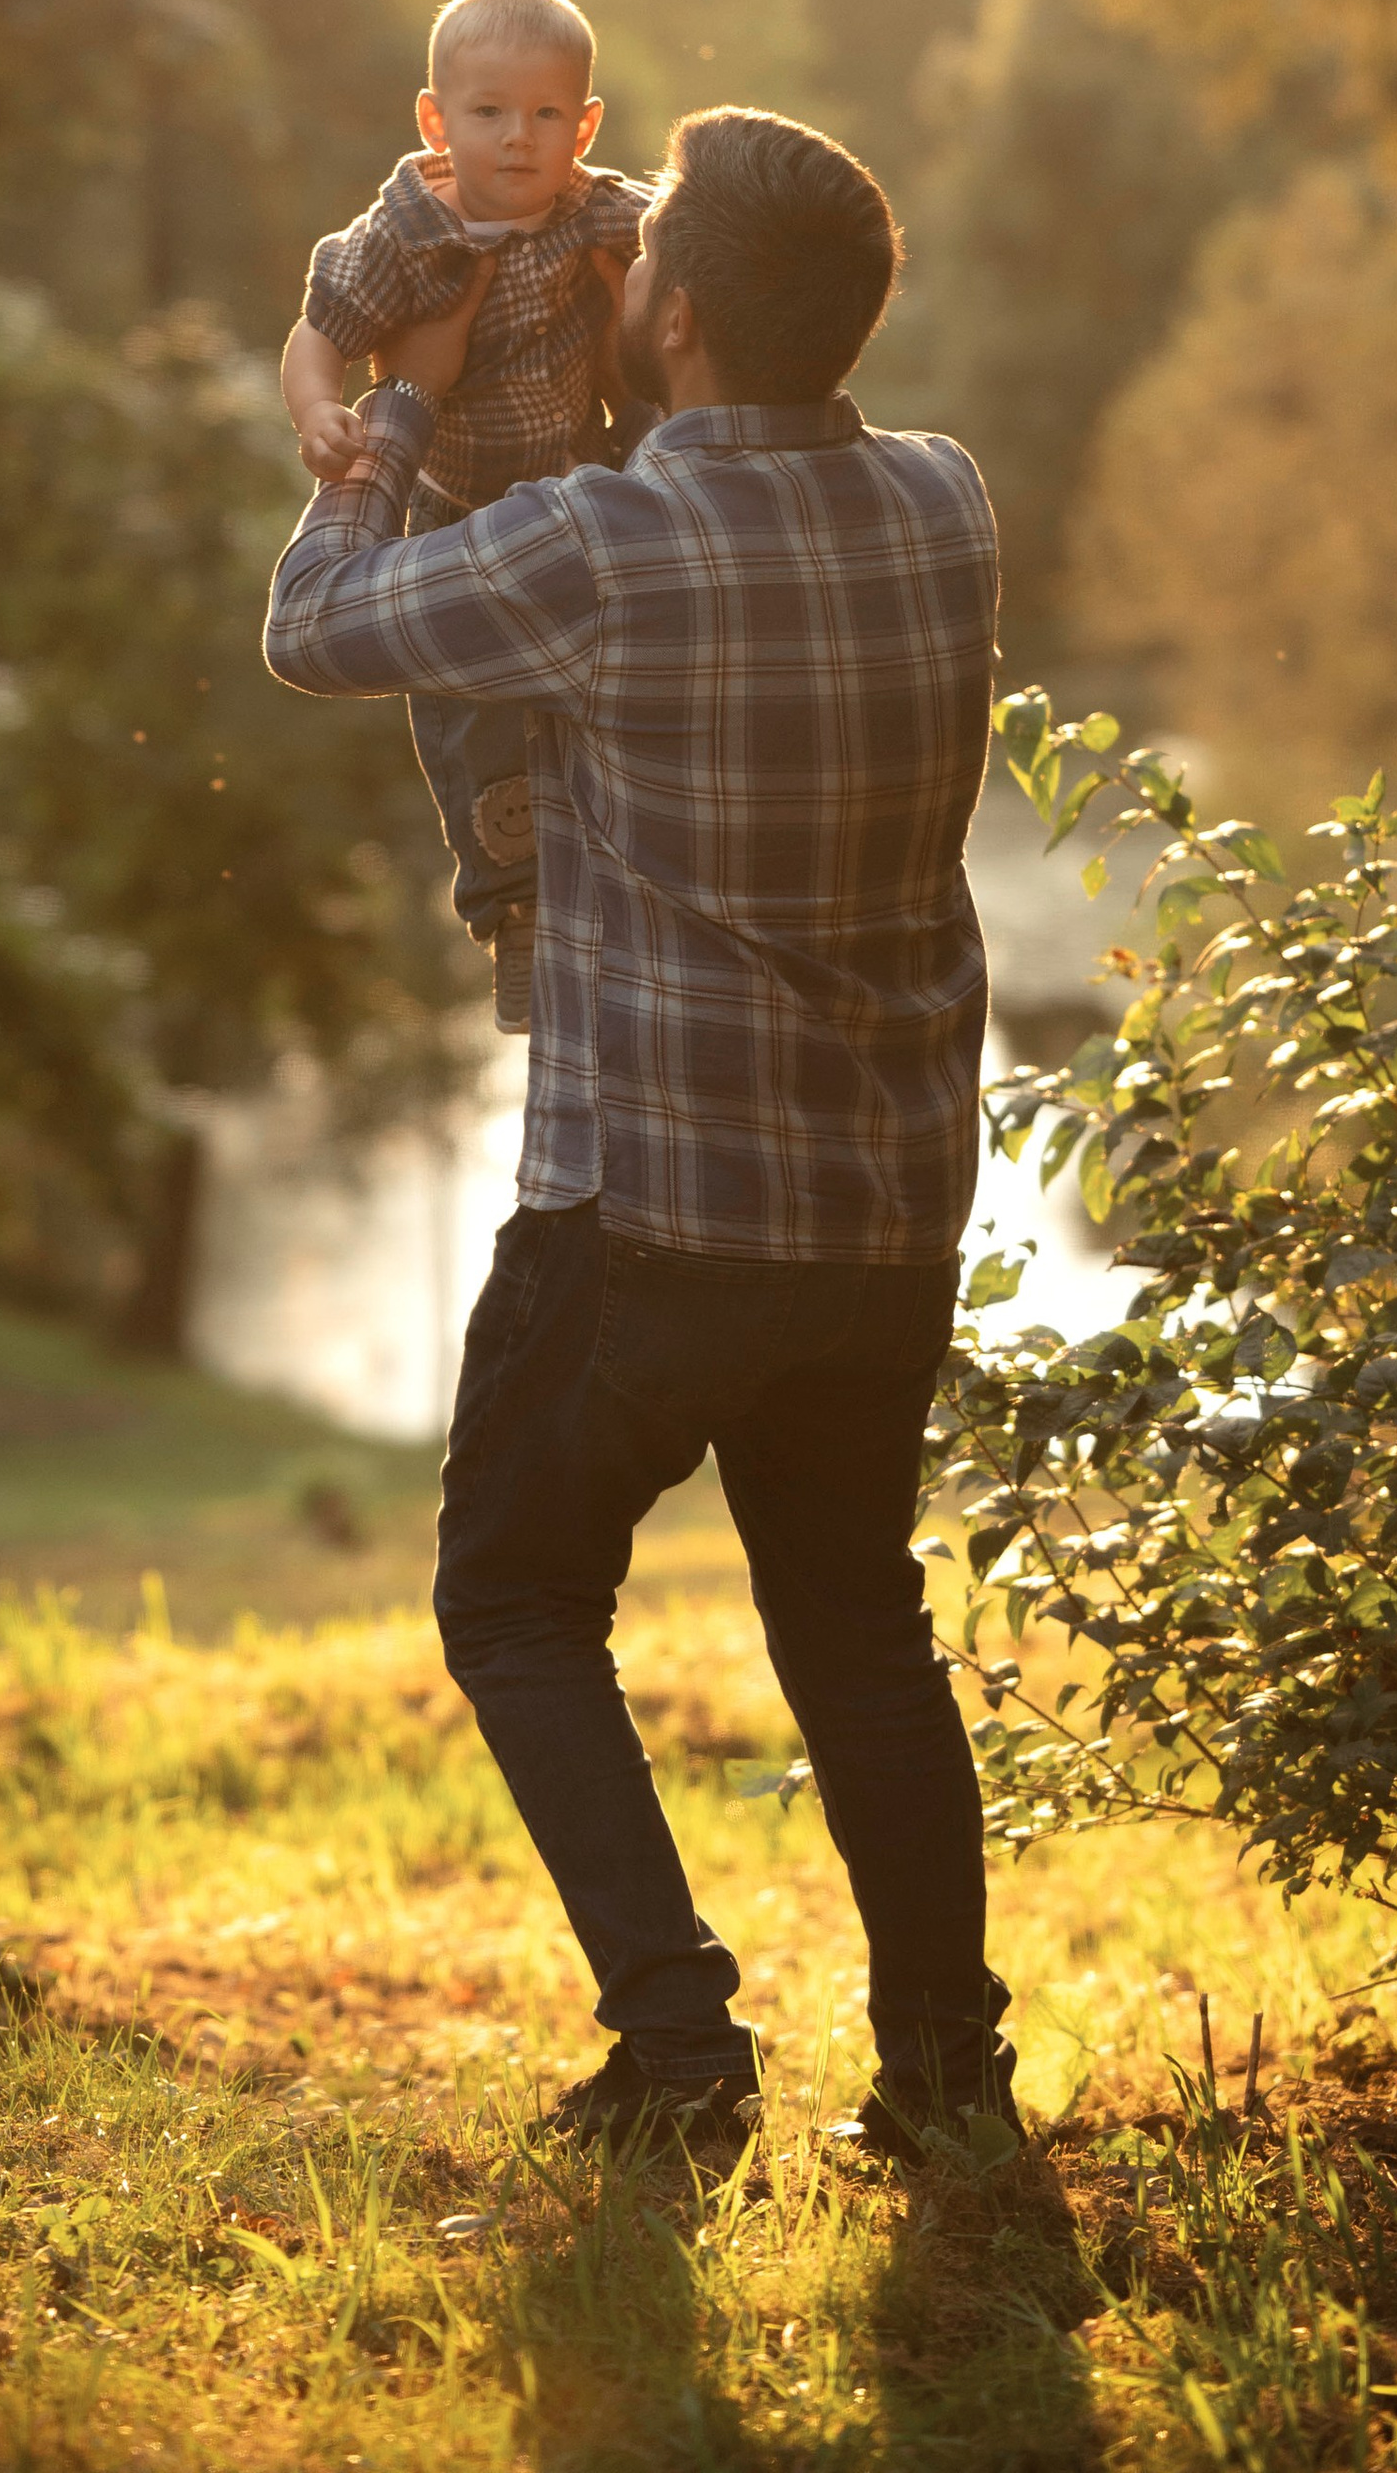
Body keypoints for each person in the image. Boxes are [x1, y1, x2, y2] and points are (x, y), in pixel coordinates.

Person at [263, 107, 1010, 2159]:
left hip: (656, 1207)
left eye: (638, 241)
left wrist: (403, 413)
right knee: (854, 1616)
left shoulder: (603, 550)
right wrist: (623, 370)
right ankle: (947, 2080)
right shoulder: (943, 503)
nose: (612, 257)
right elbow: (754, 482)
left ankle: (680, 2046)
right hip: (876, 1211)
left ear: (666, 308)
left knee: (509, 1600)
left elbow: (312, 631)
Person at [280, 0, 650, 1031]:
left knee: (594, 703)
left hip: (584, 483)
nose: (519, 140)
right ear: (436, 120)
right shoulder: (403, 231)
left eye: (546, 115)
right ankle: (514, 909)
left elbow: (683, 242)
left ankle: (608, 883)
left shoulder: (598, 207)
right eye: (488, 112)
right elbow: (320, 332)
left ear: (583, 124)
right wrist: (317, 411)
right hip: (453, 510)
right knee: (473, 720)